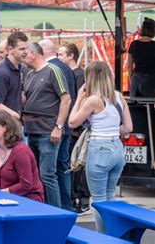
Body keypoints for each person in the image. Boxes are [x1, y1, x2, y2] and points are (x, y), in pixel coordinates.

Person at [69, 61, 132, 233]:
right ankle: (113, 234)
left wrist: (79, 98)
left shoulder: (93, 100)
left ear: (91, 78)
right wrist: (112, 131)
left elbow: (72, 121)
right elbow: (128, 128)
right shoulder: (119, 97)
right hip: (117, 149)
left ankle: (101, 237)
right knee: (110, 196)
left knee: (97, 200)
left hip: (99, 150)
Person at [23, 42, 71, 208]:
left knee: (48, 174)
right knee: (37, 174)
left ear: (33, 54)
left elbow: (66, 98)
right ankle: (42, 208)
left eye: (25, 53)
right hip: (32, 131)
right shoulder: (29, 74)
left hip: (47, 131)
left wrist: (58, 127)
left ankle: (56, 213)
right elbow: (27, 98)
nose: (23, 57)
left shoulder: (53, 71)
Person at [39, 39, 76, 211]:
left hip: (55, 126)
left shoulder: (50, 69)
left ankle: (55, 209)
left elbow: (63, 98)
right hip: (66, 124)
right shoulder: (66, 67)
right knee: (62, 168)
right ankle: (66, 206)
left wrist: (58, 125)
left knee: (50, 171)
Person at [58, 42, 90, 214]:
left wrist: (77, 124)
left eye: (62, 54)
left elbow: (81, 100)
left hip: (76, 127)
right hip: (70, 125)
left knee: (77, 164)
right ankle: (72, 197)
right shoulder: (65, 73)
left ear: (71, 56)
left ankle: (80, 198)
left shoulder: (79, 75)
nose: (59, 57)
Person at [0, 110, 44, 202]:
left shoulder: (20, 151)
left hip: (28, 199)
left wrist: (0, 193)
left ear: (5, 127)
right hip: (5, 198)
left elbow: (26, 185)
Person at [0, 31, 28, 119]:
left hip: (13, 125)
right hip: (3, 127)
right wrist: (16, 116)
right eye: (21, 49)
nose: (26, 52)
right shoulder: (2, 73)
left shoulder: (18, 68)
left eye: (26, 48)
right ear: (10, 49)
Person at [127, 17, 155, 97]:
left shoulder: (134, 44)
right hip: (153, 82)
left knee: (137, 107)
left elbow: (129, 67)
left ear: (142, 29)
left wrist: (132, 81)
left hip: (137, 81)